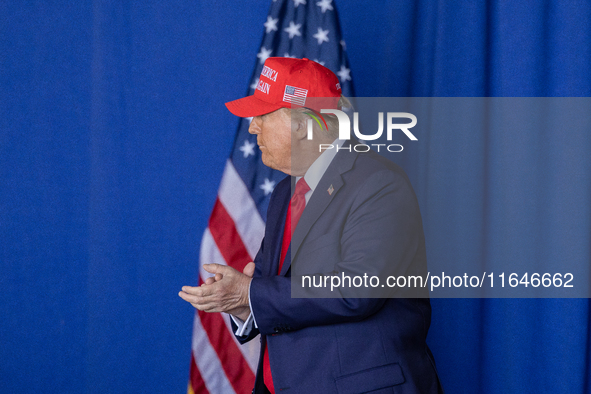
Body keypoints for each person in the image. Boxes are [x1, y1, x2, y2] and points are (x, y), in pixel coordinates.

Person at [179, 57, 443, 393]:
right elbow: (267, 292)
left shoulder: (379, 184)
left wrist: (251, 292)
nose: (252, 127)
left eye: (262, 115)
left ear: (302, 125)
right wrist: (240, 301)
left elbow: (357, 289)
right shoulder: (282, 195)